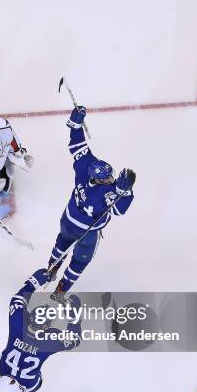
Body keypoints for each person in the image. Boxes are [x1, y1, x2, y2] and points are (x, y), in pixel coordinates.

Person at [47, 106, 136, 301]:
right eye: (107, 179)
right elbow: (120, 210)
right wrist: (126, 192)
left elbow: (78, 146)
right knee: (80, 260)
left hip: (68, 220)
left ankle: (50, 269)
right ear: (97, 180)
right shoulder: (104, 195)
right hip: (87, 232)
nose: (110, 180)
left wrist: (76, 125)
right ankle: (61, 288)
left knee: (62, 242)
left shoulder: (85, 168)